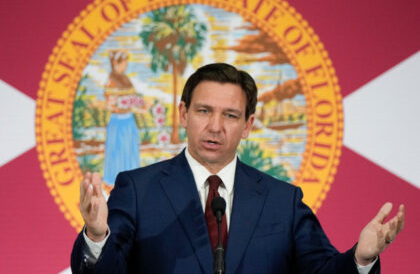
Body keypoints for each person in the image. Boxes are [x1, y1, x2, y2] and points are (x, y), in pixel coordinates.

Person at [71, 63, 405, 273]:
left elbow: (323, 271)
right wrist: (98, 235)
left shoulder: (282, 201)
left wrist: (360, 259)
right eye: (204, 111)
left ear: (248, 125)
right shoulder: (139, 189)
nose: (215, 126)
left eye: (230, 115)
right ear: (183, 114)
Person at [103, 50, 144, 190]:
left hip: (129, 122)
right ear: (116, 64)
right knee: (117, 153)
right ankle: (113, 184)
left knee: (129, 152)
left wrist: (137, 104)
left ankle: (131, 183)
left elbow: (134, 98)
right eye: (123, 63)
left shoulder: (126, 79)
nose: (125, 65)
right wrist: (121, 104)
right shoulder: (111, 81)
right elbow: (110, 104)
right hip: (118, 123)